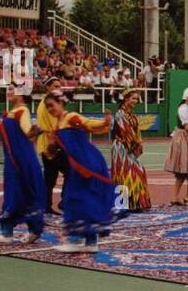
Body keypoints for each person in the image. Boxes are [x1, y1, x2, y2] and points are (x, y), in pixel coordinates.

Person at [44, 92, 115, 253]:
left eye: (51, 105)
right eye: (47, 106)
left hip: (86, 162)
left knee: (73, 199)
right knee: (86, 198)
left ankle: (74, 240)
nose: (49, 109)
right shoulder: (58, 125)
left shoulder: (70, 117)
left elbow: (87, 123)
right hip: (78, 164)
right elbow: (53, 150)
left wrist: (104, 121)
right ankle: (91, 241)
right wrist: (51, 145)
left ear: (61, 103)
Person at [0, 80, 46, 244]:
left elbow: (27, 130)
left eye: (12, 89)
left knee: (16, 193)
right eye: (7, 89)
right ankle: (33, 230)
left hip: (19, 161)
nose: (8, 91)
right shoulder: (11, 113)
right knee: (24, 193)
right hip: (17, 160)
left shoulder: (22, 111)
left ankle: (8, 234)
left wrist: (35, 131)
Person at [110, 87, 151, 212]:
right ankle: (122, 204)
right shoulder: (120, 114)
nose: (135, 101)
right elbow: (126, 132)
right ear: (126, 99)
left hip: (129, 146)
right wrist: (136, 143)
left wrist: (139, 142)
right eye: (133, 98)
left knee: (137, 171)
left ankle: (136, 202)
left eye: (137, 99)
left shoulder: (132, 115)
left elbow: (136, 132)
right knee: (123, 174)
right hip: (121, 147)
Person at [165, 86, 188, 205]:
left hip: (180, 138)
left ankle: (175, 197)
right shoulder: (184, 109)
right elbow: (187, 127)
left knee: (182, 170)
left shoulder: (187, 108)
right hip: (183, 139)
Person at [35, 77, 67, 215]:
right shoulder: (49, 104)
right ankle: (65, 202)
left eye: (59, 86)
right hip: (52, 144)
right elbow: (56, 126)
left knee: (50, 177)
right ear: (47, 88)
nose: (58, 89)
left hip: (46, 143)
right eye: (55, 86)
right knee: (71, 171)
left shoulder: (46, 102)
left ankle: (46, 206)